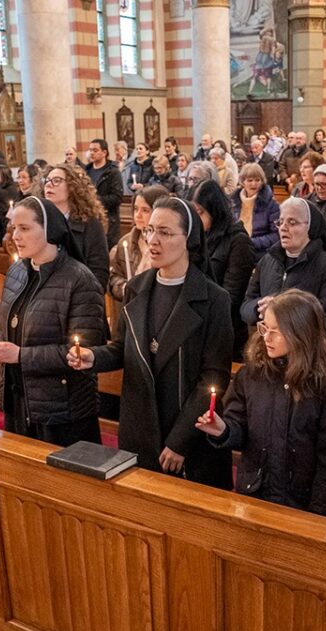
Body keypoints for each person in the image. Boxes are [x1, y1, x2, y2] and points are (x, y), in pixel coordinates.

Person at [68, 197, 234, 489]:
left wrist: (180, 441)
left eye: (165, 233)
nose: (153, 240)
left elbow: (213, 378)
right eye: (150, 231)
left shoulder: (214, 299)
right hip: (140, 427)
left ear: (189, 239)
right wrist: (93, 358)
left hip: (188, 437)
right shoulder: (136, 288)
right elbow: (122, 348)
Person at [197, 289, 326, 515]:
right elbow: (240, 429)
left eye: (276, 331)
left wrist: (319, 516)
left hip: (300, 502)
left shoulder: (322, 385)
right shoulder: (250, 375)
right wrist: (223, 430)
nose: (266, 337)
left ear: (301, 334)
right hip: (255, 495)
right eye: (264, 327)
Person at [0, 196, 106, 445]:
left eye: (25, 228)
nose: (15, 236)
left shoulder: (80, 280)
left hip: (63, 412)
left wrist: (20, 355)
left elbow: (83, 354)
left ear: (49, 229)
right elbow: (4, 323)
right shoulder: (17, 272)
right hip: (19, 401)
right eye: (13, 229)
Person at [241, 197, 326, 342]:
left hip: (308, 355)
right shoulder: (267, 261)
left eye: (292, 222)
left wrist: (285, 314)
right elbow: (246, 307)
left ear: (310, 227)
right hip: (268, 350)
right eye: (280, 222)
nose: (284, 228)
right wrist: (259, 309)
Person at [191, 179, 256, 359]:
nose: (197, 219)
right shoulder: (199, 237)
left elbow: (232, 296)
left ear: (215, 211)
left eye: (201, 213)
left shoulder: (238, 241)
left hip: (226, 330)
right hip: (198, 326)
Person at [44, 164, 110, 291]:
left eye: (56, 181)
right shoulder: (40, 221)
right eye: (46, 180)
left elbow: (99, 273)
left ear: (72, 187)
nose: (49, 184)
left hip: (79, 299)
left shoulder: (90, 224)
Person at [108, 185, 168, 302]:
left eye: (145, 210)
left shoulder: (168, 242)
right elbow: (113, 276)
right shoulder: (126, 242)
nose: (138, 215)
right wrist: (124, 288)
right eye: (136, 209)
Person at [230, 163, 280, 261]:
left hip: (261, 254)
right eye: (250, 180)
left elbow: (276, 235)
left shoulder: (271, 204)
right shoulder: (232, 202)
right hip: (236, 252)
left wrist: (250, 242)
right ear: (243, 182)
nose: (254, 184)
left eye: (257, 180)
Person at [84, 138, 125, 248]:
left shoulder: (112, 172)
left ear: (104, 152)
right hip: (89, 221)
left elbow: (117, 198)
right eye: (90, 150)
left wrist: (95, 199)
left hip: (108, 221)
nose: (92, 153)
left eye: (95, 150)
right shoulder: (86, 171)